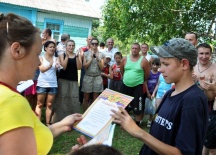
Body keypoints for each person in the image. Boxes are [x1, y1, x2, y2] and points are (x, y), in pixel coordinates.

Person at [0, 13, 82, 155]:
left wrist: (62, 124)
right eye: (37, 53)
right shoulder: (12, 103)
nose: (39, 61)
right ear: (17, 50)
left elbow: (29, 135)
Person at [112, 38, 208, 155]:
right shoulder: (169, 94)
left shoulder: (193, 100)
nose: (160, 69)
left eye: (166, 64)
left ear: (184, 64)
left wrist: (139, 132)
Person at [192, 43, 216, 155]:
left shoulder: (214, 69)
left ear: (211, 54)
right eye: (201, 53)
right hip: (191, 105)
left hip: (207, 108)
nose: (204, 56)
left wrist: (203, 86)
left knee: (206, 139)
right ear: (197, 54)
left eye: (207, 53)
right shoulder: (192, 67)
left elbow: (211, 97)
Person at [52, 40, 82, 123]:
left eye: (73, 45)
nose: (71, 47)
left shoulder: (77, 55)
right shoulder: (62, 55)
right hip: (63, 79)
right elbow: (64, 67)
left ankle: (73, 119)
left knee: (73, 99)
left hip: (73, 80)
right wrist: (67, 57)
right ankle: (59, 118)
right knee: (62, 98)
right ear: (66, 46)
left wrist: (77, 56)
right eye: (69, 45)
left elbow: (79, 67)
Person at [120, 43, 150, 126]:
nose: (134, 50)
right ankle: (123, 122)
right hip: (125, 85)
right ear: (131, 49)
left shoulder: (143, 60)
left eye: (136, 48)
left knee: (138, 105)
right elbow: (122, 70)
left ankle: (137, 123)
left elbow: (147, 74)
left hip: (138, 86)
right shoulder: (125, 59)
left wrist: (139, 80)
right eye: (133, 48)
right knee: (123, 104)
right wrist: (127, 78)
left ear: (139, 50)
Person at [35, 41, 59, 125]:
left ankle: (48, 124)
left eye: (53, 47)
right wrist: (50, 65)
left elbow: (56, 69)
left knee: (49, 104)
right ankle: (38, 123)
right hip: (42, 83)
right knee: (39, 104)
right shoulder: (41, 58)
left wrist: (57, 67)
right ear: (45, 48)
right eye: (50, 47)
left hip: (53, 84)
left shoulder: (56, 58)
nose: (52, 48)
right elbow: (41, 69)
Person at [82, 38, 105, 111]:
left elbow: (101, 67)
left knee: (95, 98)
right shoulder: (85, 54)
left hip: (97, 77)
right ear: (90, 44)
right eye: (93, 44)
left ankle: (92, 115)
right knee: (86, 98)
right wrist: (91, 58)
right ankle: (83, 115)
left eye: (96, 44)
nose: (94, 45)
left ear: (98, 45)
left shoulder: (101, 54)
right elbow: (85, 66)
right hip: (88, 77)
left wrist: (97, 58)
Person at [145, 58, 161, 127]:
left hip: (155, 92)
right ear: (151, 65)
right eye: (153, 64)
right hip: (147, 91)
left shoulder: (160, 74)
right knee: (146, 106)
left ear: (159, 66)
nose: (155, 66)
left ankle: (150, 120)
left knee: (153, 107)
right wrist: (147, 92)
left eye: (156, 65)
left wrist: (154, 93)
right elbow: (145, 82)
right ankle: (140, 119)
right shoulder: (149, 73)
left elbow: (158, 83)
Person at [79, 36, 93, 104]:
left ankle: (89, 99)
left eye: (91, 40)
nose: (90, 41)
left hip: (92, 68)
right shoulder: (83, 48)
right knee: (82, 83)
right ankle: (81, 99)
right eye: (89, 39)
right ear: (86, 40)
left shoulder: (94, 49)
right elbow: (81, 56)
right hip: (84, 68)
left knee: (91, 83)